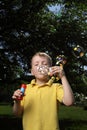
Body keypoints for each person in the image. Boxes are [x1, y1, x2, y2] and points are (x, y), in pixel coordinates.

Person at [12, 52, 74, 130]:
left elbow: (69, 102)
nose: (40, 66)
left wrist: (63, 76)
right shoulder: (25, 89)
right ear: (32, 71)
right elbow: (16, 114)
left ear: (51, 70)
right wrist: (17, 102)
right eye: (36, 64)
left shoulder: (56, 87)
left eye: (44, 64)